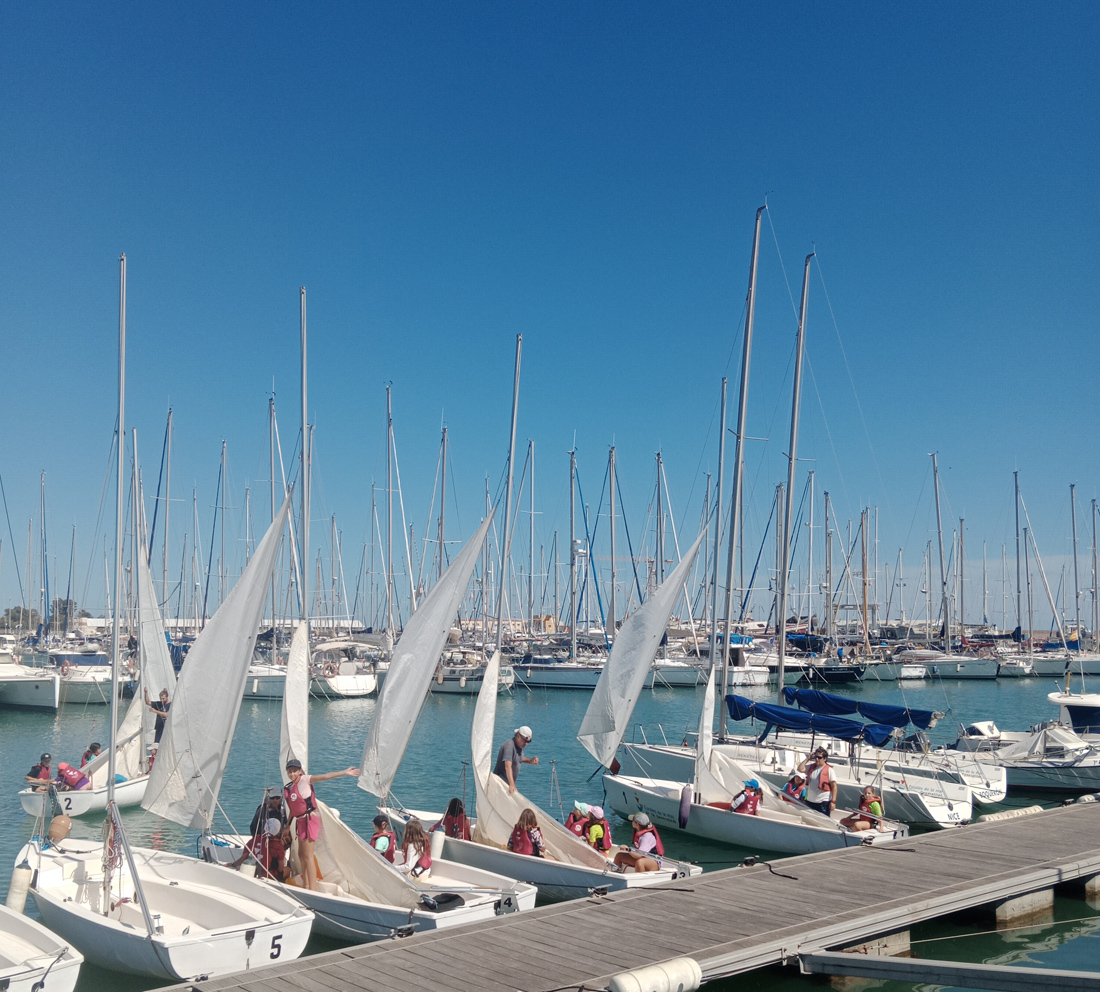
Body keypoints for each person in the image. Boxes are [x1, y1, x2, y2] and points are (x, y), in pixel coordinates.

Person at [283, 757, 360, 890]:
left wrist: (344, 772)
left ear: (300, 771)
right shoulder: (290, 787)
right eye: (289, 771)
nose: (292, 774)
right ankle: (306, 884)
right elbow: (294, 808)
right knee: (301, 855)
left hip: (309, 820)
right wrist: (288, 825)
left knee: (308, 856)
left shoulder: (305, 780)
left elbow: (325, 776)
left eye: (294, 771)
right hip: (300, 821)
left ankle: (312, 889)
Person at [493, 726, 539, 794]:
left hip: (507, 785)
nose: (526, 744)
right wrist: (512, 785)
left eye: (528, 742)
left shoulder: (520, 746)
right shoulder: (509, 746)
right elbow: (508, 766)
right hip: (500, 784)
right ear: (518, 735)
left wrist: (530, 761)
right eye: (525, 741)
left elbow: (518, 757)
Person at [798, 748, 837, 815]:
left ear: (824, 759)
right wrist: (808, 758)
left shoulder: (829, 770)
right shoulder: (811, 767)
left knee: (823, 820)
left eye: (819, 757)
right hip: (810, 800)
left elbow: (834, 786)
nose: (817, 759)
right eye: (815, 757)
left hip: (823, 801)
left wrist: (833, 802)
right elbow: (800, 769)